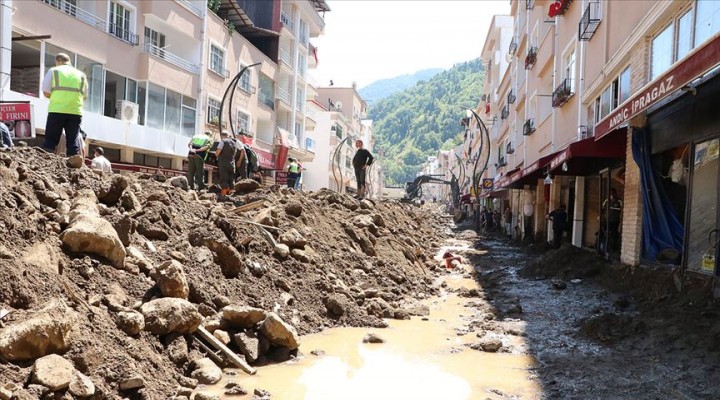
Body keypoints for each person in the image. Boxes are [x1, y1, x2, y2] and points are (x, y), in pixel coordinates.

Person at [41, 53, 87, 156]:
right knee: (72, 142)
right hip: (75, 112)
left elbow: (46, 92)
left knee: (50, 141)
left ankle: (47, 161)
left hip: (57, 110)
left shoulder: (53, 71)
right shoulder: (81, 75)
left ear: (58, 61)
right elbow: (84, 96)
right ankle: (73, 164)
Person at [215, 130, 236, 196]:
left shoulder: (223, 141)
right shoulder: (234, 143)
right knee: (231, 179)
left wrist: (216, 154)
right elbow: (234, 154)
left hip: (223, 163)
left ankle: (224, 195)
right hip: (232, 163)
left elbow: (218, 151)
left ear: (222, 136)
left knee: (224, 178)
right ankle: (232, 194)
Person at [602, 188, 623, 253]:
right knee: (603, 232)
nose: (611, 195)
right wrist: (600, 216)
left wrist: (621, 219)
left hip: (615, 221)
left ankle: (613, 249)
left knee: (614, 234)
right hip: (606, 220)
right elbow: (602, 209)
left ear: (615, 193)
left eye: (613, 193)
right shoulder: (606, 201)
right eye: (610, 193)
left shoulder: (619, 201)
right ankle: (603, 246)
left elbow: (622, 211)